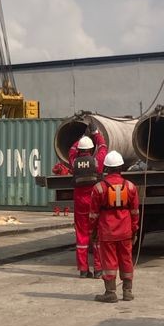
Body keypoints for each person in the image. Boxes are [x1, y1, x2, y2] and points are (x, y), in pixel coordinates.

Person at [89, 150, 140, 303]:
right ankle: (127, 292)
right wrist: (134, 230)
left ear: (106, 168)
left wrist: (93, 231)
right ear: (121, 168)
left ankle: (110, 292)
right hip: (125, 230)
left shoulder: (99, 188)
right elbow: (135, 212)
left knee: (109, 262)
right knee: (126, 260)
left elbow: (93, 215)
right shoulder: (130, 187)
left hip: (107, 231)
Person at [68, 115, 107, 277]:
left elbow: (71, 151)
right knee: (97, 235)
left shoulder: (74, 163)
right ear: (91, 150)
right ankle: (98, 269)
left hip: (80, 203)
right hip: (94, 202)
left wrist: (82, 137)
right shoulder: (96, 162)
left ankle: (83, 270)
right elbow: (103, 147)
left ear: (80, 150)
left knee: (82, 236)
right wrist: (96, 133)